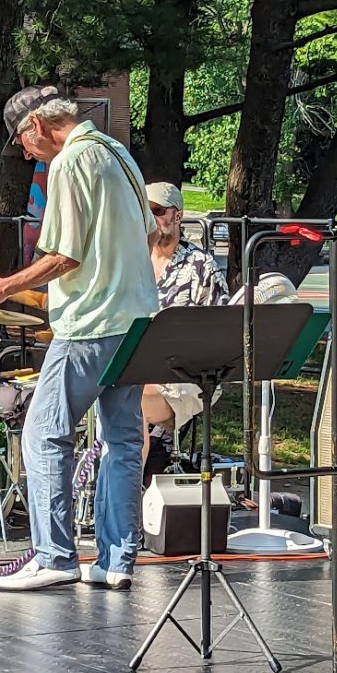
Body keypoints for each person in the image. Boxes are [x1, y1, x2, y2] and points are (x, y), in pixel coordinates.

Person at [0, 85, 158, 591]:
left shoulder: (70, 163)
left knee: (43, 433)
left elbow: (64, 256)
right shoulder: (119, 153)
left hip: (90, 324)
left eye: (21, 141)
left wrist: (3, 286)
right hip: (137, 321)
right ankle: (116, 562)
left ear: (37, 127)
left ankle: (54, 556)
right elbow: (147, 236)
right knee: (121, 440)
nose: (24, 152)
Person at [142, 182, 229, 483]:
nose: (150, 218)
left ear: (177, 216)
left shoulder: (201, 266)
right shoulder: (133, 262)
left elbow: (223, 334)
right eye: (144, 210)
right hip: (139, 370)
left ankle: (127, 505)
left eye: (158, 211)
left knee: (128, 404)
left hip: (188, 376)